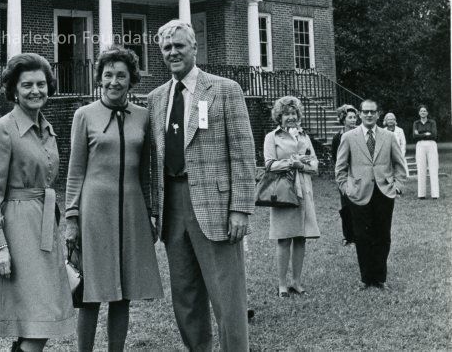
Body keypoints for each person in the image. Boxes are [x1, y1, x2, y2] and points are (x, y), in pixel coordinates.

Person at [146, 19, 256, 351]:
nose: (173, 52)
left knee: (227, 296)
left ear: (194, 47)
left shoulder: (225, 89)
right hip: (172, 205)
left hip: (216, 206)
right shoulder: (156, 98)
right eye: (167, 47)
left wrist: (240, 209)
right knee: (185, 295)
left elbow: (243, 152)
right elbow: (153, 159)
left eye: (179, 45)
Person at [65, 47, 163, 352]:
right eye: (108, 75)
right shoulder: (84, 115)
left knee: (123, 293)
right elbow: (75, 170)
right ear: (99, 78)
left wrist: (150, 213)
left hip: (132, 210)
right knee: (91, 293)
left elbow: (146, 172)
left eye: (121, 75)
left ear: (131, 79)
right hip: (94, 210)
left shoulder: (143, 117)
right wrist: (71, 218)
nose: (114, 81)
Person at [0, 53, 75, 352]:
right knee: (38, 316)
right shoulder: (3, 129)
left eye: (41, 84)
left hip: (44, 227)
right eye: (27, 85)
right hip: (18, 231)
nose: (36, 91)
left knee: (40, 317)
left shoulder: (47, 128)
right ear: (14, 90)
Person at [335, 99, 408, 290]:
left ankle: (380, 278)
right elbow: (340, 168)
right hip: (358, 193)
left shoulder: (389, 136)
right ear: (360, 114)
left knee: (383, 235)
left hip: (384, 192)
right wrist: (346, 188)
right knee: (361, 236)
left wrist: (397, 186)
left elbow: (400, 165)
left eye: (372, 112)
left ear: (378, 114)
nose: (369, 115)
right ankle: (366, 278)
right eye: (365, 111)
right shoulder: (349, 137)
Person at [263, 96, 320, 297]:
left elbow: (314, 165)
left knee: (301, 237)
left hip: (304, 191)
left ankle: (296, 281)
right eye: (286, 114)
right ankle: (282, 284)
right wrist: (291, 163)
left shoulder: (304, 136)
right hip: (283, 192)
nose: (291, 117)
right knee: (284, 238)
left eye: (294, 113)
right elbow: (269, 164)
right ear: (279, 116)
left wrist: (302, 165)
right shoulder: (272, 137)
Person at [331, 105, 359, 245]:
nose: (353, 120)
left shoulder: (360, 134)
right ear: (343, 119)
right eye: (350, 117)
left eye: (354, 117)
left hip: (359, 174)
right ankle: (348, 236)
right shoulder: (338, 137)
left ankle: (360, 234)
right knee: (346, 206)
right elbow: (335, 158)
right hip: (345, 176)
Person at [413, 105, 439, 199]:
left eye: (424, 111)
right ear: (419, 113)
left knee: (433, 168)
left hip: (431, 145)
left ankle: (435, 194)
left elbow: (434, 135)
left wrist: (420, 134)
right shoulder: (416, 123)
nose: (423, 112)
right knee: (421, 168)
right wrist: (426, 134)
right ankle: (421, 194)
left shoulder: (432, 122)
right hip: (420, 145)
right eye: (421, 111)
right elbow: (414, 136)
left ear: (427, 113)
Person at [383, 113, 409, 178]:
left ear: (394, 120)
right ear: (386, 121)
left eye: (392, 119)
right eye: (389, 119)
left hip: (399, 153)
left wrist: (401, 154)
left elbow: (403, 143)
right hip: (387, 154)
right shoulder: (383, 131)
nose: (390, 121)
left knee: (401, 173)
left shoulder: (400, 130)